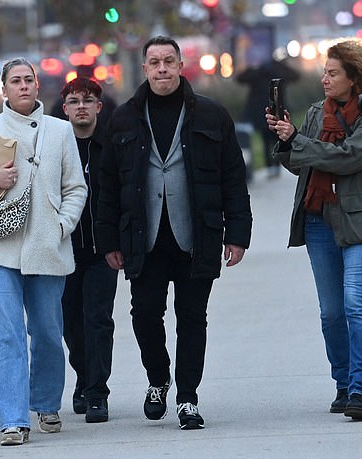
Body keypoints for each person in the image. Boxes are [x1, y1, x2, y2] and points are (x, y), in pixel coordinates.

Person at [96, 36, 252, 430]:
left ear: (181, 65)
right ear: (144, 69)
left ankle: (187, 398)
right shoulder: (125, 118)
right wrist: (109, 240)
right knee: (144, 314)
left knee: (192, 318)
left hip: (196, 235)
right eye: (154, 62)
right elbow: (108, 184)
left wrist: (237, 233)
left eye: (169, 61)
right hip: (143, 238)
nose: (162, 68)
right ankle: (158, 378)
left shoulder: (211, 115)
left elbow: (234, 176)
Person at [0, 57, 87, 446]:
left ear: (38, 86)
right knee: (7, 335)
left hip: (48, 245)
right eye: (16, 81)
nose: (23, 86)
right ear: (4, 89)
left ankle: (45, 402)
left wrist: (63, 224)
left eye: (29, 80)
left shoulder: (60, 131)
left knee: (46, 331)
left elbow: (76, 188)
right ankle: (13, 419)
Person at [267, 41, 362, 421]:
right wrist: (286, 140)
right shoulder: (317, 113)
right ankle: (342, 382)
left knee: (355, 303)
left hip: (359, 220)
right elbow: (302, 166)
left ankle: (359, 391)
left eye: (333, 73)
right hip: (318, 220)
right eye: (324, 72)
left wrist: (300, 143)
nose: (325, 78)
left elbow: (350, 158)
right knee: (332, 313)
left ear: (353, 78)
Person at [59, 77, 118, 423]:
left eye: (88, 100)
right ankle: (83, 376)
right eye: (74, 100)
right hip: (64, 250)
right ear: (64, 108)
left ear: (99, 106)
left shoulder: (111, 146)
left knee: (98, 320)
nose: (81, 106)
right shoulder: (55, 146)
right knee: (70, 323)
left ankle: (97, 392)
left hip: (102, 251)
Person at [236, 58, 299, 178]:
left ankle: (275, 165)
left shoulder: (277, 68)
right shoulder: (258, 70)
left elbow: (294, 76)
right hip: (262, 112)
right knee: (266, 139)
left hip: (277, 110)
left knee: (276, 138)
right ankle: (271, 166)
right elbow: (241, 79)